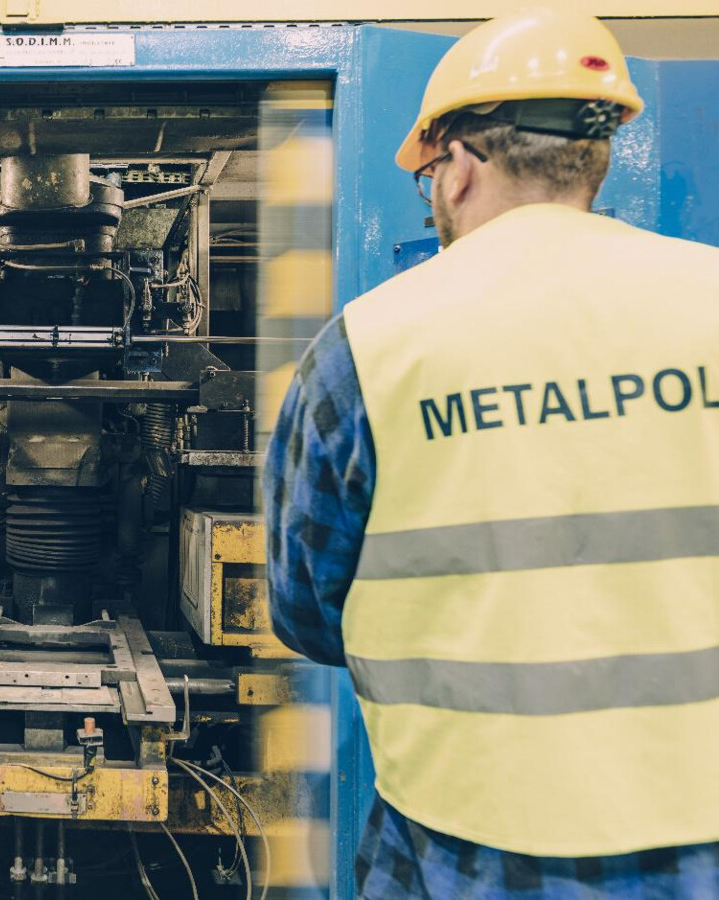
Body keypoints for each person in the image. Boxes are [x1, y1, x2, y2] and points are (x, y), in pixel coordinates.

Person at [262, 7, 719, 898]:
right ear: (594, 157)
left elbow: (305, 609)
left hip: (467, 841)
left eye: (427, 176)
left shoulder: (369, 346)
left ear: (459, 163)